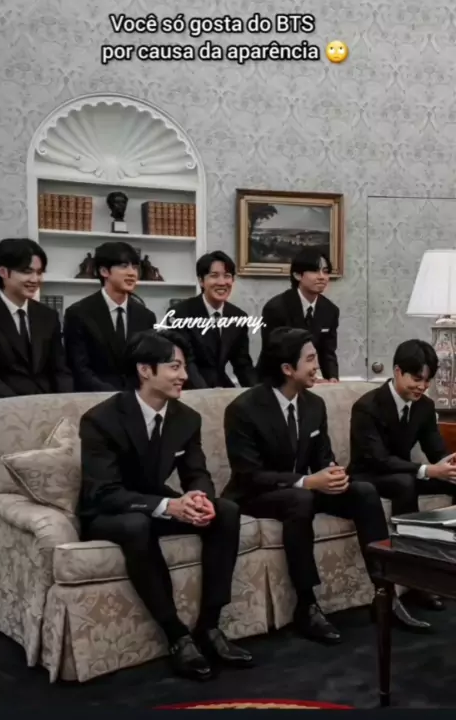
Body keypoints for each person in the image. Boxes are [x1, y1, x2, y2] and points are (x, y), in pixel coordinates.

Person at [78, 328, 253, 679]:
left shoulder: (186, 418)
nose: (184, 375)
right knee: (137, 524)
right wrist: (168, 506)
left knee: (225, 511)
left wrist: (199, 497)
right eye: (175, 367)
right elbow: (105, 492)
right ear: (145, 370)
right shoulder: (101, 420)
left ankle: (209, 627)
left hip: (156, 504)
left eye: (184, 366)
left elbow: (196, 473)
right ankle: (177, 636)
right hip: (110, 511)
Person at [222, 327, 409, 644]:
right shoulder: (243, 409)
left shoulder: (314, 405)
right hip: (256, 494)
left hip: (303, 489)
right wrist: (308, 481)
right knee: (301, 500)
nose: (317, 366)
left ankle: (384, 594)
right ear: (287, 368)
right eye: (310, 359)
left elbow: (323, 457)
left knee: (363, 491)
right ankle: (306, 605)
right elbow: (249, 475)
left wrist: (333, 474)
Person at [349, 339, 456, 626]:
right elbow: (379, 460)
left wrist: (449, 464)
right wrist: (427, 470)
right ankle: (409, 582)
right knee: (405, 483)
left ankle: (444, 571)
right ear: (397, 371)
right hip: (368, 476)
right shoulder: (367, 406)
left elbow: (436, 451)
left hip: (404, 474)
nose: (422, 387)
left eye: (427, 381)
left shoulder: (424, 406)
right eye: (416, 379)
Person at [0, 238, 73, 406]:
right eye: (27, 271)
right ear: (3, 272)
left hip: (49, 406)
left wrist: (63, 403)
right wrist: (25, 408)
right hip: (2, 408)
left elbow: (60, 370)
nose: (35, 279)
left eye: (39, 272)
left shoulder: (48, 316)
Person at [64, 242, 156, 392]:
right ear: (104, 271)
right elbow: (79, 368)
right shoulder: (78, 313)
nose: (132, 273)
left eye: (135, 267)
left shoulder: (146, 316)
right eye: (124, 266)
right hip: (95, 396)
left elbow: (148, 364)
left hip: (136, 396)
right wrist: (112, 395)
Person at [164, 251, 258, 389]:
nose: (222, 282)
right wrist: (206, 394)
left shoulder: (239, 317)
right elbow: (188, 362)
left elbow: (242, 363)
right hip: (188, 387)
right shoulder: (179, 314)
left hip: (222, 385)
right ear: (201, 281)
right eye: (214, 276)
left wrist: (258, 392)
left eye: (227, 276)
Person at [258, 247, 339, 382]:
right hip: (278, 380)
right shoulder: (276, 308)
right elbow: (275, 355)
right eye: (315, 271)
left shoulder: (330, 310)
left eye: (325, 272)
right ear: (297, 275)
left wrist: (332, 378)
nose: (322, 277)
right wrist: (312, 379)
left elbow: (328, 352)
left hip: (313, 381)